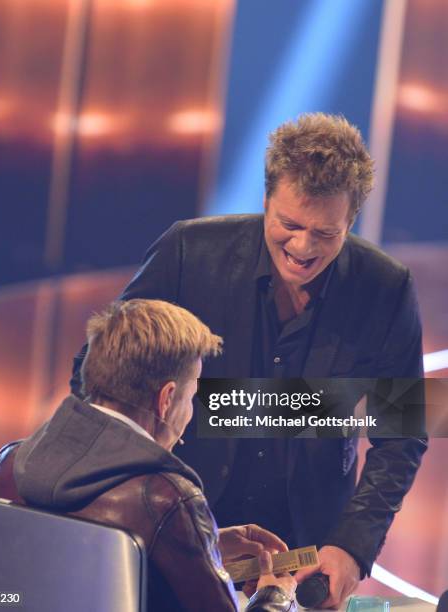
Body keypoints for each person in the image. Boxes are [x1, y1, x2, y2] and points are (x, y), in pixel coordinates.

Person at [70, 113, 428, 609]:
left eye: (326, 234)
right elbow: (95, 375)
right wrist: (140, 498)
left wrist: (352, 546)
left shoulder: (387, 289)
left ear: (351, 222)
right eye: (289, 225)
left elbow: (401, 433)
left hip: (305, 557)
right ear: (265, 202)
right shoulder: (188, 252)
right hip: (175, 533)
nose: (303, 248)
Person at [0, 299, 297, 612]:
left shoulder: (11, 464)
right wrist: (276, 596)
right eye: (191, 397)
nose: (190, 413)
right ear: (166, 399)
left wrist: (206, 545)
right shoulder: (167, 499)